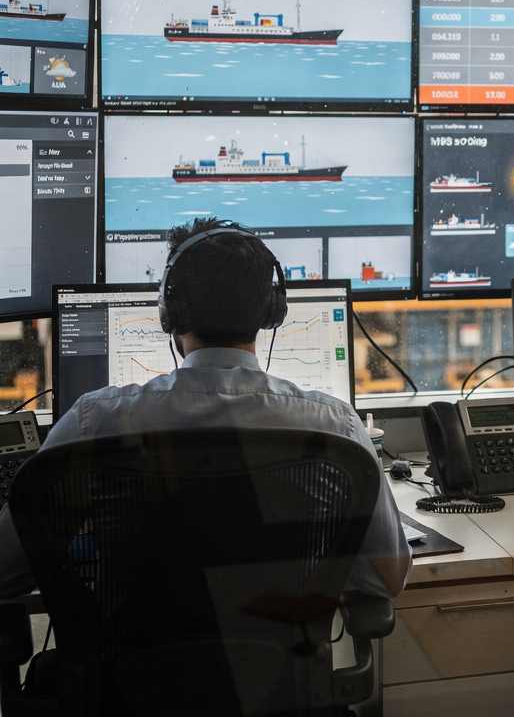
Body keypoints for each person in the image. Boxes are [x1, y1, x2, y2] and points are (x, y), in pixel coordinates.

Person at [0, 217, 412, 601]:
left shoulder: (95, 420)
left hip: (133, 677)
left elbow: (7, 568)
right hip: (283, 673)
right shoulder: (336, 426)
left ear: (170, 313)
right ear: (270, 311)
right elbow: (387, 577)